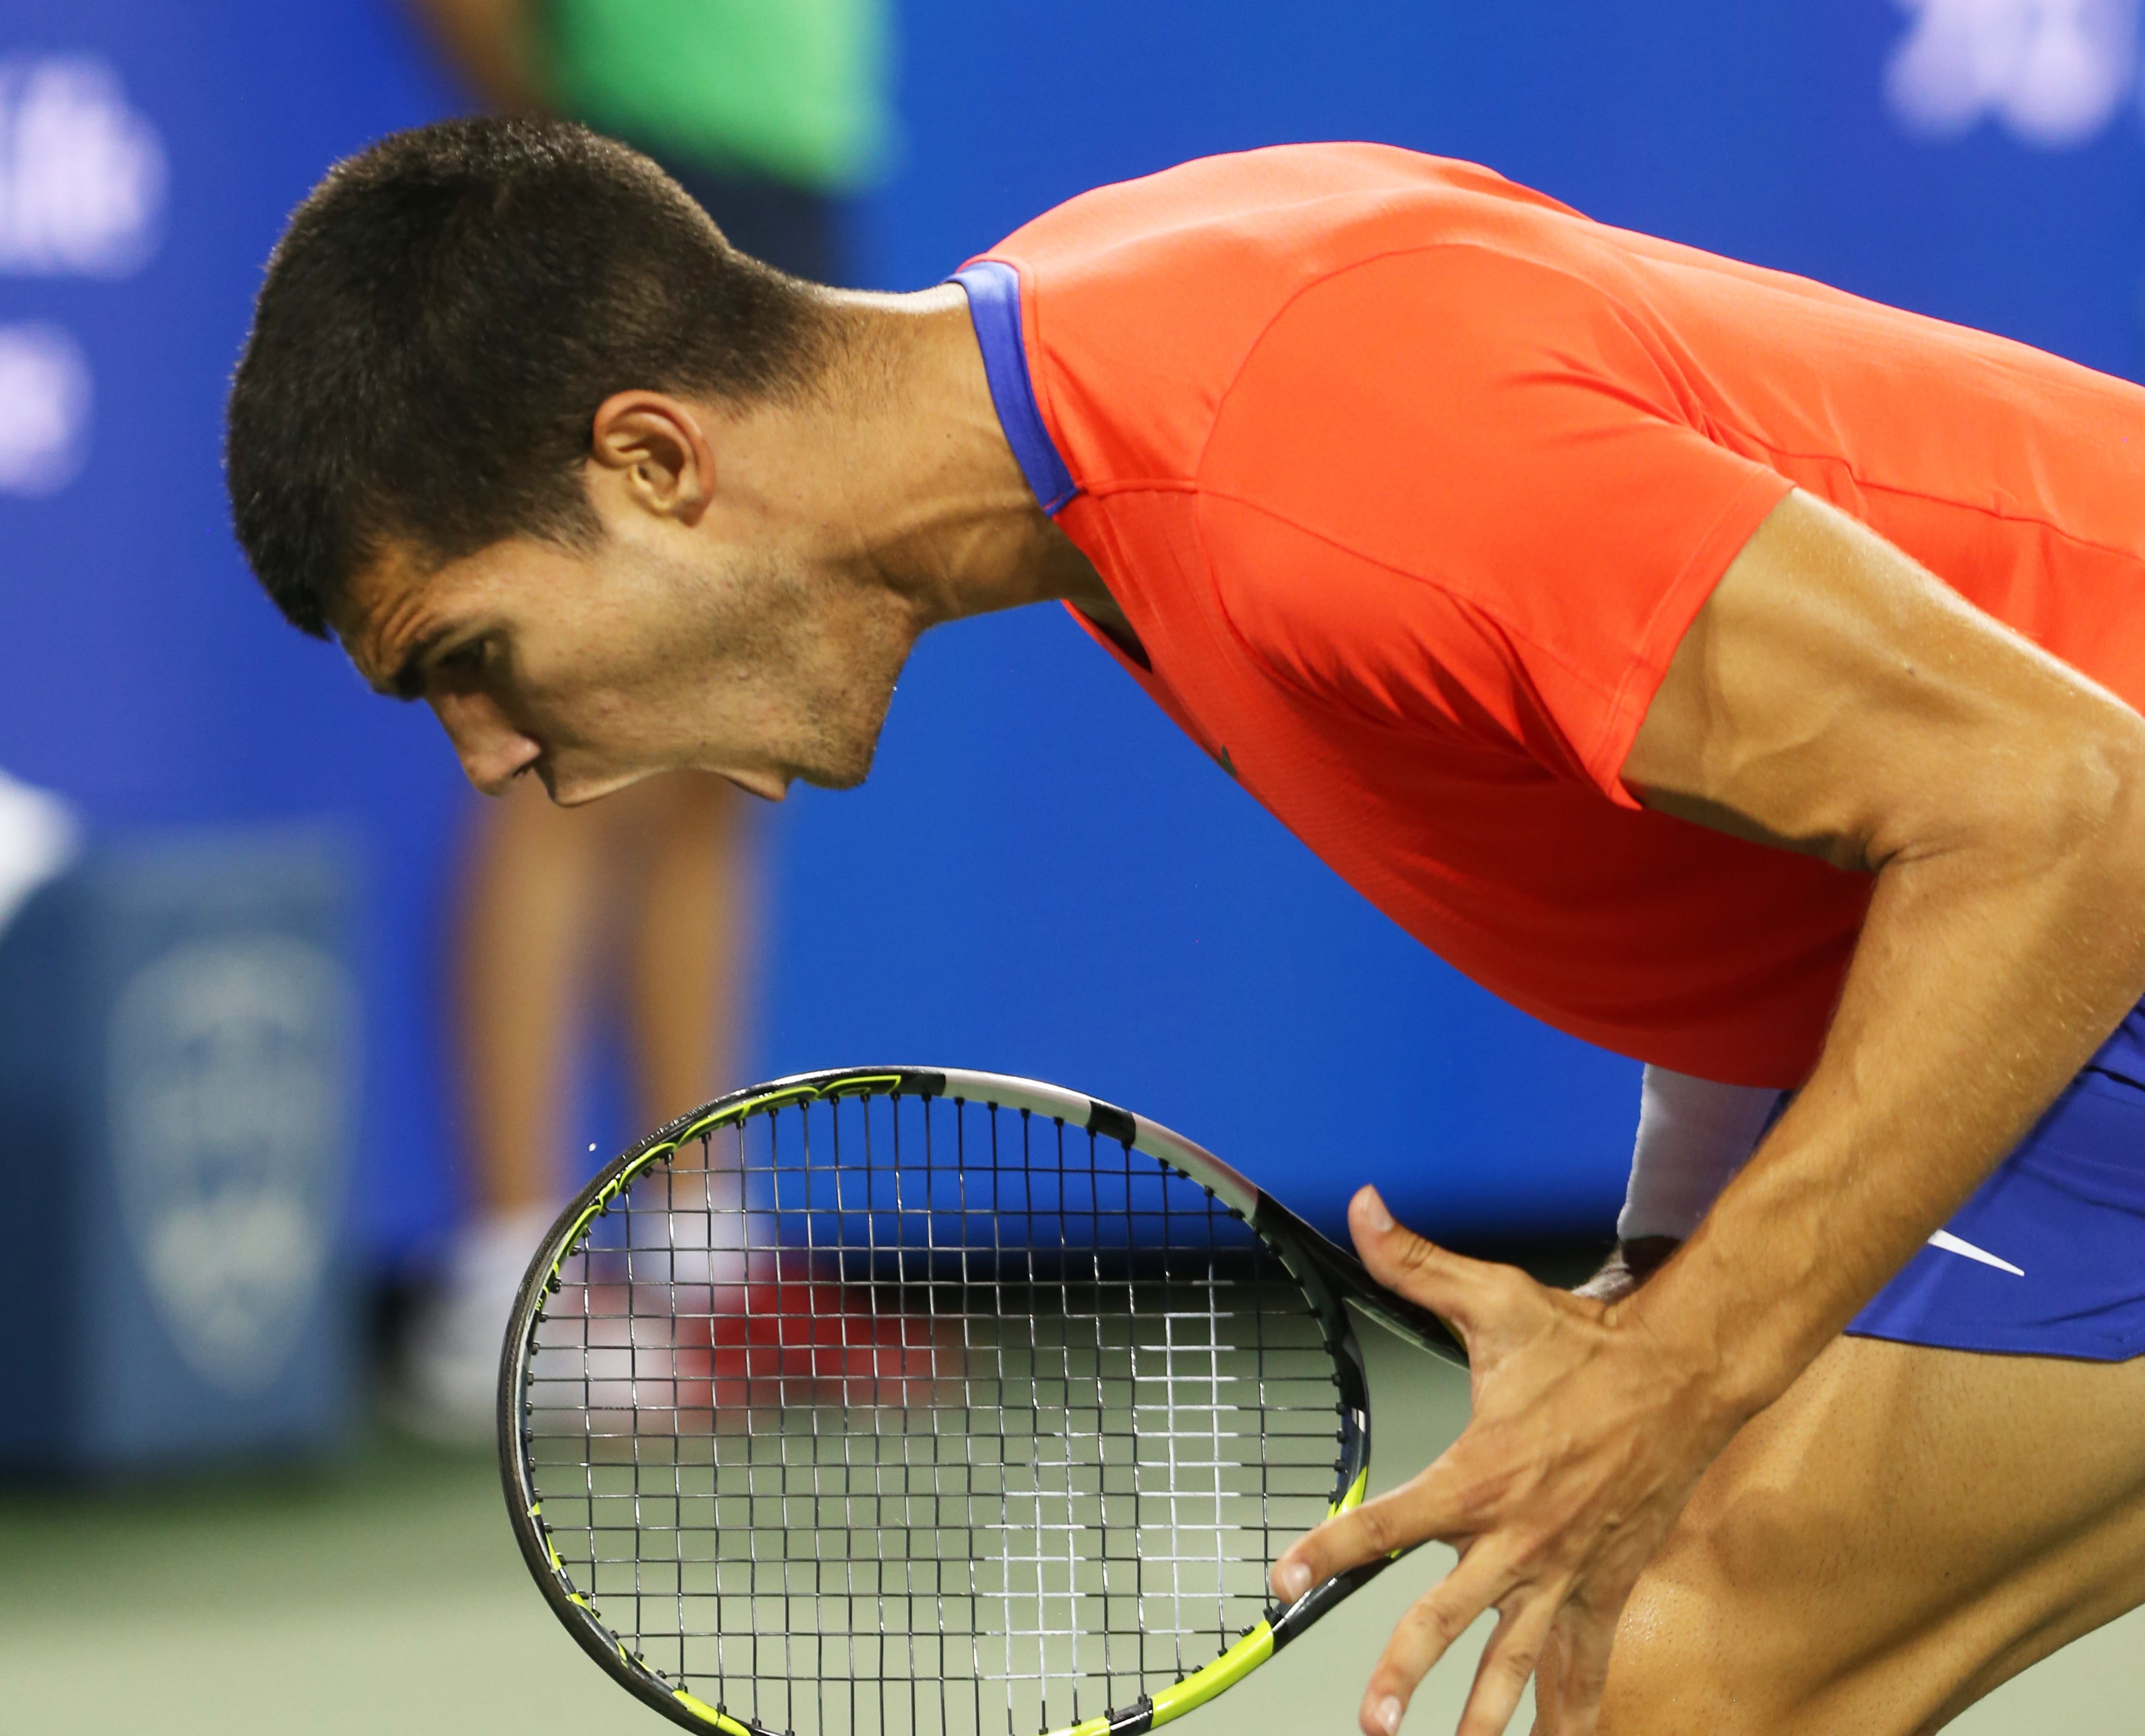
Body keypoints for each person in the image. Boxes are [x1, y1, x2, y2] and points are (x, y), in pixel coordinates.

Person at [223, 122, 2145, 1735]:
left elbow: (2067, 804)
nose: (492, 760)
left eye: (472, 662)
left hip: (2095, 847)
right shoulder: (1094, 396)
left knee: (1659, 1664)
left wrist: (1683, 1370)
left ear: (653, 462)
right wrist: (1666, 1270)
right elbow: (1738, 846)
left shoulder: (1283, 443)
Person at [387, 0, 891, 1439]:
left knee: (724, 750)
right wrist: (570, 164)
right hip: (631, 183)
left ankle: (697, 1251)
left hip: (787, 178)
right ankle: (508, 1284)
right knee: (572, 747)